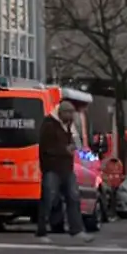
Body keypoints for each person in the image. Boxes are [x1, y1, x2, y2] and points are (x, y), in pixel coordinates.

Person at [37, 100, 93, 241]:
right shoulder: (49, 125)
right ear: (62, 113)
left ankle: (77, 229)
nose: (71, 117)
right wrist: (65, 150)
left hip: (66, 168)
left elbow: (76, 144)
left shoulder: (68, 126)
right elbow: (46, 147)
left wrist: (74, 144)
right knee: (49, 199)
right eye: (69, 114)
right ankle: (42, 231)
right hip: (52, 168)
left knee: (73, 198)